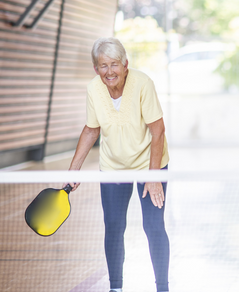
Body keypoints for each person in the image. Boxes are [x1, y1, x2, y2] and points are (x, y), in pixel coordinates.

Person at [65, 37, 171, 292]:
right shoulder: (94, 89)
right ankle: (115, 288)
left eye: (114, 64)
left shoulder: (143, 83)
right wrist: (73, 169)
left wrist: (154, 176)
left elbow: (158, 131)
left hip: (150, 163)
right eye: (103, 65)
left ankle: (163, 288)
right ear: (96, 68)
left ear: (125, 64)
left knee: (153, 225)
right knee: (113, 226)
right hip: (113, 166)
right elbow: (92, 129)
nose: (109, 71)